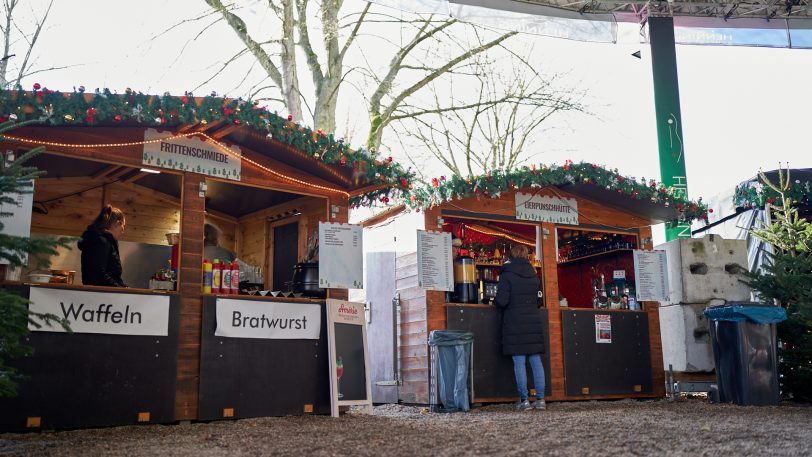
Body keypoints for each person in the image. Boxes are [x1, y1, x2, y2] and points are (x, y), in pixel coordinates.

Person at [493, 244, 546, 411]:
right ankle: (541, 400)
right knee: (536, 361)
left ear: (511, 257)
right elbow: (539, 301)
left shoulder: (507, 275)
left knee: (519, 362)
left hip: (515, 323)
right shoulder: (534, 276)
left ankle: (524, 401)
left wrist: (494, 301)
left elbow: (502, 301)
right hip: (533, 322)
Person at [78, 205, 127, 287]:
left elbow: (111, 275)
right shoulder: (101, 241)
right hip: (101, 295)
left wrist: (123, 286)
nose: (123, 231)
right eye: (123, 227)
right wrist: (120, 289)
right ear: (118, 224)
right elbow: (98, 275)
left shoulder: (100, 240)